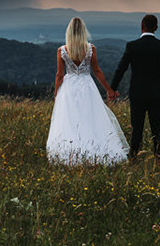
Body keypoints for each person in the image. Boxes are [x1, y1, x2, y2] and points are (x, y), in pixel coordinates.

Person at [45, 17, 129, 166]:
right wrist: (109, 90)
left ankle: (70, 153)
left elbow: (59, 75)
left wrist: (56, 93)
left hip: (69, 87)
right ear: (83, 32)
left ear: (69, 32)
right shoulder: (90, 49)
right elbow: (97, 71)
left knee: (70, 119)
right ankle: (94, 150)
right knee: (90, 117)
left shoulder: (62, 50)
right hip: (87, 85)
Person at [112, 13, 160, 160]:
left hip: (137, 93)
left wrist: (112, 88)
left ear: (141, 27)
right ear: (156, 28)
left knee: (137, 128)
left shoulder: (132, 46)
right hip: (157, 93)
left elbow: (121, 69)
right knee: (157, 128)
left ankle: (134, 157)